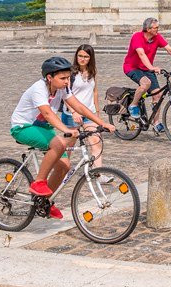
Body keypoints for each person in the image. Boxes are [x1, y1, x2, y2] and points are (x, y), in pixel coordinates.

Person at [11, 57, 115, 217]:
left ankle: (44, 201)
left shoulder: (62, 89)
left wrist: (102, 123)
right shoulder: (39, 89)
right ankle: (38, 183)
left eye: (68, 78)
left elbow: (79, 106)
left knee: (64, 166)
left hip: (43, 128)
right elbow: (47, 113)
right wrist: (67, 129)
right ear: (49, 77)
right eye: (63, 78)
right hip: (23, 127)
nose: (67, 82)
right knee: (59, 144)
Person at [123, 17, 171, 135]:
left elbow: (169, 49)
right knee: (146, 83)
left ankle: (156, 122)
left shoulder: (157, 37)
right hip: (132, 67)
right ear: (148, 29)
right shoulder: (137, 37)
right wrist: (152, 68)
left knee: (157, 95)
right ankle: (133, 105)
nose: (158, 29)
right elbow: (141, 54)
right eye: (156, 27)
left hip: (147, 68)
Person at [68, 44, 103, 169]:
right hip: (73, 114)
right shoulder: (70, 72)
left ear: (91, 58)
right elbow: (65, 95)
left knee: (96, 142)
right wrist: (74, 112)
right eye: (80, 56)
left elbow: (95, 91)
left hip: (89, 113)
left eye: (86, 56)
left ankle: (97, 173)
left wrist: (97, 112)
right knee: (69, 145)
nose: (82, 59)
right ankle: (62, 170)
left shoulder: (92, 71)